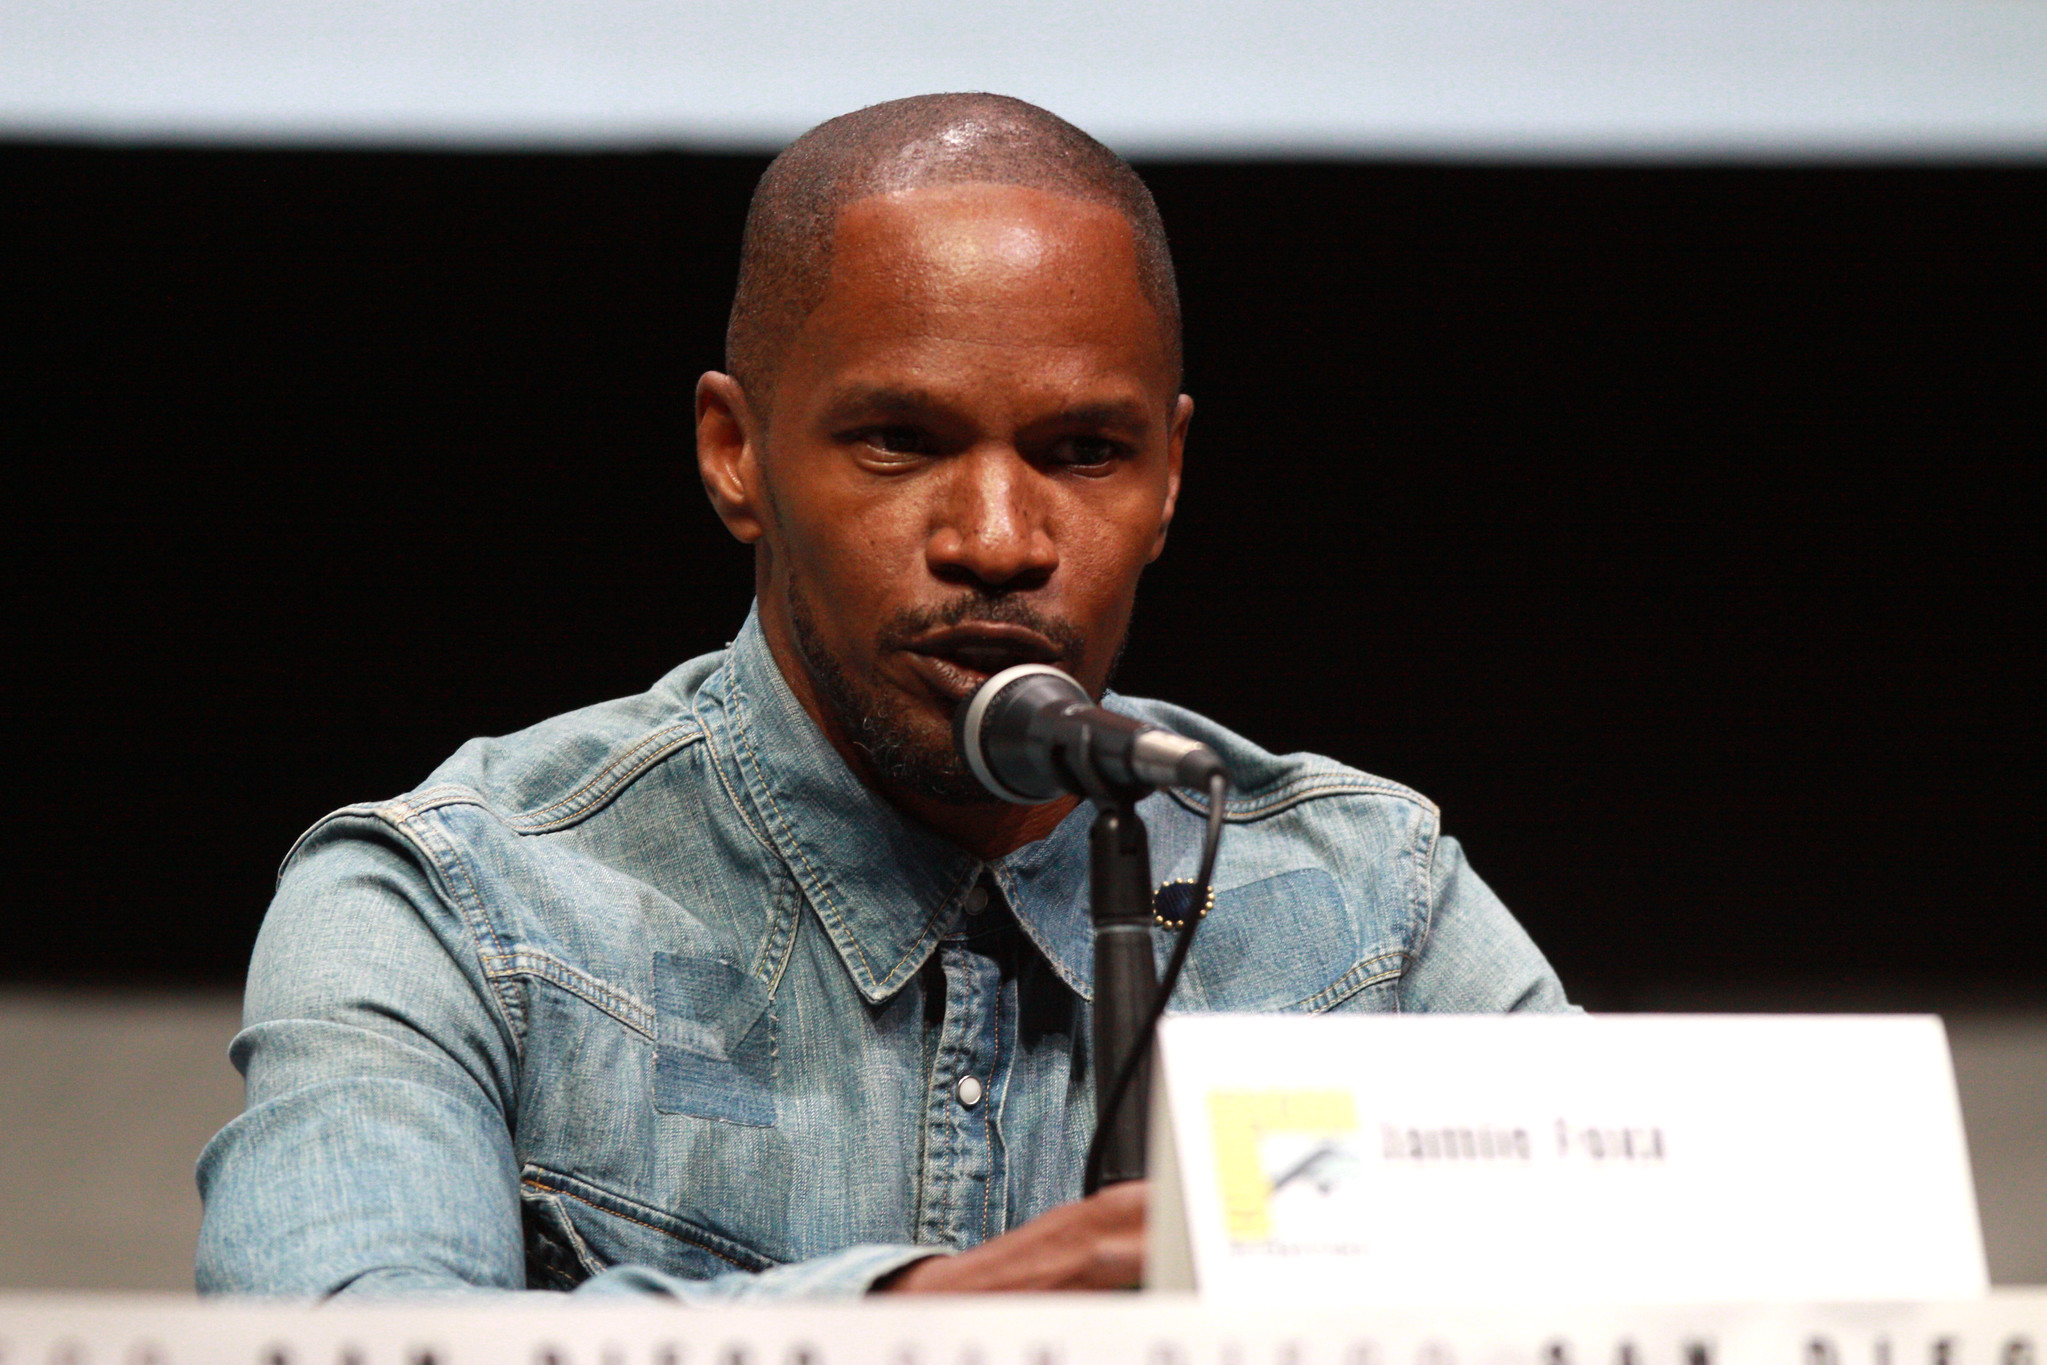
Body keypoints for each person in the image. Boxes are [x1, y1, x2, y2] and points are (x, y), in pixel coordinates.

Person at [196, 93, 1572, 1300]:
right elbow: (337, 1328)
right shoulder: (455, 901)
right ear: (735, 454)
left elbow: (1697, 1283)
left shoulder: (1372, 903)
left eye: (1085, 450)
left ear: (1169, 478)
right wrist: (900, 1323)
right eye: (901, 441)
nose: (996, 536)